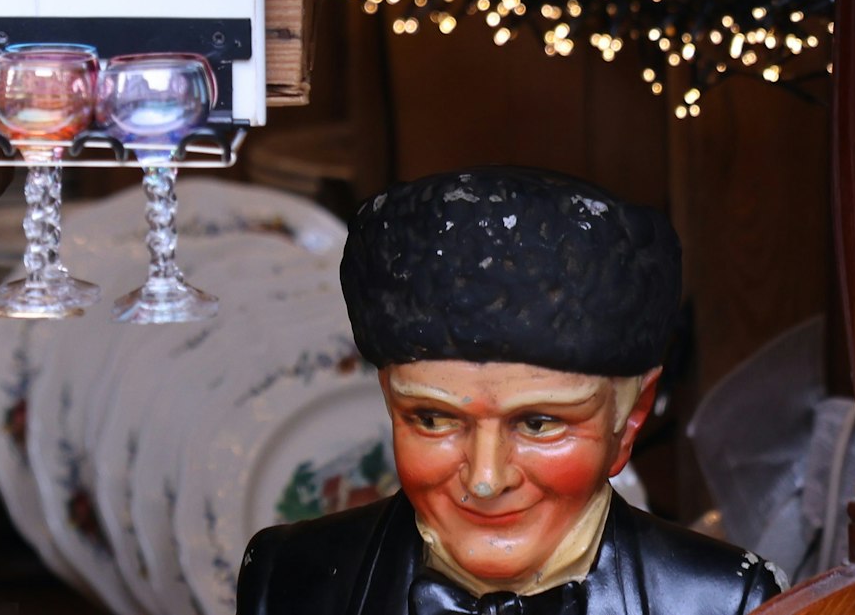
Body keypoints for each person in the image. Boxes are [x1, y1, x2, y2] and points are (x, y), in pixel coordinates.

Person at [236, 167, 781, 615]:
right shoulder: (288, 578)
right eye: (432, 419)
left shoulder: (725, 602)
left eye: (539, 423)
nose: (486, 478)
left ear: (629, 420)